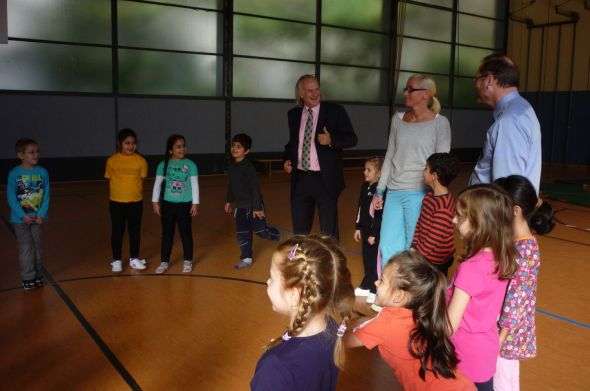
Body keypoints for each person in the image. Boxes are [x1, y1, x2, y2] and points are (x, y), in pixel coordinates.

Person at [345, 251, 475, 390]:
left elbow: (345, 340)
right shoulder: (421, 311)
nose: (376, 282)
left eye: (382, 280)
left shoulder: (388, 321)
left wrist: (342, 326)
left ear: (398, 296)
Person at [250, 235, 355, 391]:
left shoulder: (274, 368)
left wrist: (281, 355)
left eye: (271, 277)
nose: (268, 281)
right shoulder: (332, 329)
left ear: (293, 295)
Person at [373, 74, 451, 267]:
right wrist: (380, 190)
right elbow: (390, 155)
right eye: (405, 89)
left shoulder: (440, 123)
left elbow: (440, 164)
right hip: (394, 192)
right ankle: (391, 291)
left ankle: (412, 295)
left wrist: (437, 196)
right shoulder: (397, 120)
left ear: (425, 95)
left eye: (410, 89)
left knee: (413, 248)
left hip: (420, 194)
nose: (405, 93)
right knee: (388, 246)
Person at [447, 184, 518, 390]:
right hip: (485, 351)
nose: (453, 220)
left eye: (460, 217)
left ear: (480, 225)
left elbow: (450, 325)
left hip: (463, 354)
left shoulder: (472, 268)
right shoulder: (502, 257)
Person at [493, 175, 555, 391]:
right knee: (506, 381)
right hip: (502, 332)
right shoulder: (514, 242)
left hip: (506, 337)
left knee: (502, 383)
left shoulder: (525, 250)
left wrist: (499, 339)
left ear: (515, 210)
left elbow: (515, 299)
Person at [283, 74, 358, 240]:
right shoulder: (293, 115)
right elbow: (292, 144)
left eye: (317, 89)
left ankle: (332, 263)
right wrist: (287, 160)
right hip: (300, 179)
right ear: (301, 93)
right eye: (310, 90)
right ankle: (297, 259)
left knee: (328, 231)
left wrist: (332, 141)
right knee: (299, 229)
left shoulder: (335, 111)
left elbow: (352, 139)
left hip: (325, 179)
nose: (315, 93)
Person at [469, 54, 542, 194]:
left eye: (476, 79)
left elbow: (507, 188)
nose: (475, 85)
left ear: (489, 80)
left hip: (493, 213)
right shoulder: (520, 109)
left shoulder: (510, 121)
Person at [224, 133, 280, 269]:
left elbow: (255, 188)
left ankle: (275, 234)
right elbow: (231, 184)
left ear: (246, 151)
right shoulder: (231, 166)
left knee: (261, 231)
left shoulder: (248, 167)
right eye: (233, 145)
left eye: (239, 147)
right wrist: (228, 201)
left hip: (254, 206)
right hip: (240, 207)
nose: (234, 149)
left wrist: (257, 208)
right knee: (242, 234)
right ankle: (246, 259)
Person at [151, 134, 199, 274]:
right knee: (167, 234)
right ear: (170, 150)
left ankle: (188, 261)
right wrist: (155, 202)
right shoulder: (163, 165)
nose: (182, 149)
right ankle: (164, 262)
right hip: (167, 205)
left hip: (184, 205)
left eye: (184, 146)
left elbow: (194, 185)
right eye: (178, 146)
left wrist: (195, 204)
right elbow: (157, 184)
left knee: (185, 233)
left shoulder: (190, 165)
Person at [7, 138, 51, 290]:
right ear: (20, 155)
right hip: (21, 220)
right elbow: (11, 197)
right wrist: (22, 215)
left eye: (37, 152)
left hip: (37, 218)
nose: (36, 155)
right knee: (26, 249)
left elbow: (46, 196)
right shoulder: (15, 174)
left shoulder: (42, 172)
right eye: (31, 152)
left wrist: (41, 214)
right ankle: (28, 278)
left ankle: (37, 275)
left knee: (37, 248)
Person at [104, 128, 148, 273]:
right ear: (119, 144)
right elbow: (110, 179)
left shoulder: (141, 161)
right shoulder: (112, 161)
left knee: (134, 231)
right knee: (117, 231)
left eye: (133, 143)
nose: (130, 146)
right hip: (116, 202)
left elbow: (141, 180)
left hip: (135, 202)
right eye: (127, 143)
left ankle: (134, 258)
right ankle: (116, 260)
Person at [411, 152, 460, 277]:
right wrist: (414, 245)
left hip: (438, 260)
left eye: (426, 168)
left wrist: (416, 256)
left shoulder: (443, 206)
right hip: (424, 255)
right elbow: (420, 224)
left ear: (434, 175)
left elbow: (433, 240)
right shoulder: (428, 197)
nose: (423, 171)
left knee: (434, 291)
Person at [353, 156, 385, 304]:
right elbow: (360, 207)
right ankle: (366, 285)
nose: (365, 172)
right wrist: (358, 227)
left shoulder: (380, 190)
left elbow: (379, 215)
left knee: (373, 260)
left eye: (369, 170)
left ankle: (374, 288)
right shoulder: (363, 187)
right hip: (364, 229)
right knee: (366, 258)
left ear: (379, 174)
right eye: (365, 169)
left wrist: (374, 234)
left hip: (374, 232)